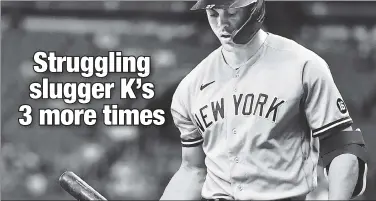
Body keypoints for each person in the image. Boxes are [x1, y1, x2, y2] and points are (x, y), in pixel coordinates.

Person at [160, 0, 368, 200]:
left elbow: (343, 149)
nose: (221, 23)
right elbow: (193, 169)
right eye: (213, 13)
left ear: (255, 7)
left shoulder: (304, 66)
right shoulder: (191, 86)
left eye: (231, 13)